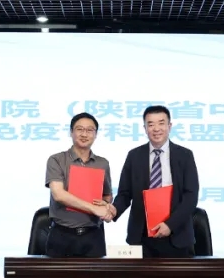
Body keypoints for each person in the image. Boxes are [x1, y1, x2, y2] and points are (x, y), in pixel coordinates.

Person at [108, 105, 200, 258]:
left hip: (176, 236)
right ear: (145, 128)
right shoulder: (134, 156)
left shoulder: (185, 155)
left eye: (161, 123)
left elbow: (190, 196)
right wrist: (113, 210)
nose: (156, 129)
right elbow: (125, 193)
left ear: (169, 126)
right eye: (150, 124)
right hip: (142, 236)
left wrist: (170, 225)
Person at [43, 112, 114, 258]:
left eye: (90, 130)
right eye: (80, 129)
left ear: (95, 134)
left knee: (96, 274)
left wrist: (106, 206)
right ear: (71, 132)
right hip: (62, 234)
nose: (84, 134)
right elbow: (58, 195)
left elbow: (107, 195)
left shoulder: (103, 163)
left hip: (93, 235)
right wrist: (94, 209)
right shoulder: (56, 160)